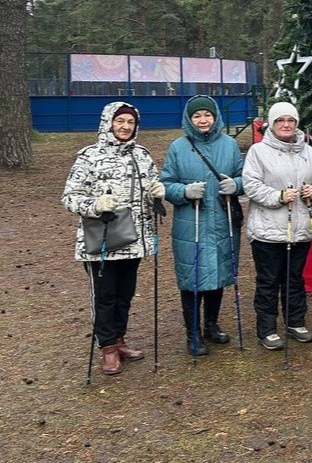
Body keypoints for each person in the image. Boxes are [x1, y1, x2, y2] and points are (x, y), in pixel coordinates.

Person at [62, 102, 165, 375]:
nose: (125, 127)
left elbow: (150, 191)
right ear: (108, 122)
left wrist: (156, 193)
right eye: (120, 121)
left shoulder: (142, 155)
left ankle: (119, 339)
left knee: (124, 295)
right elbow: (69, 197)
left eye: (130, 122)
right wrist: (96, 204)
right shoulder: (89, 156)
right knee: (105, 296)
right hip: (102, 243)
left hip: (134, 240)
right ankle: (106, 347)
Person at [161, 95, 245, 355]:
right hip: (191, 224)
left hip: (222, 221)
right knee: (191, 278)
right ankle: (192, 334)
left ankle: (211, 325)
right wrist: (184, 191)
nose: (203, 120)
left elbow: (245, 176)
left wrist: (236, 185)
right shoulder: (178, 147)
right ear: (189, 119)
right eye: (197, 116)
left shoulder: (230, 145)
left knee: (218, 274)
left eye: (207, 115)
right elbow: (164, 184)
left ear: (215, 116)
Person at [242, 102, 312, 350]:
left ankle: (295, 321)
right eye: (280, 120)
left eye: (291, 120)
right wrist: (278, 197)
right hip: (268, 230)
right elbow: (251, 185)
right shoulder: (258, 151)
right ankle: (267, 328)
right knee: (269, 281)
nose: (286, 125)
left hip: (300, 227)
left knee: (294, 278)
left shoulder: (309, 151)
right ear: (272, 124)